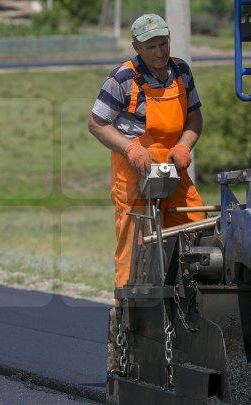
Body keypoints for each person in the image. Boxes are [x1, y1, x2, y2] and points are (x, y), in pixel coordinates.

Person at [87, 14, 206, 371]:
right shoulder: (122, 78)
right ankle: (126, 328)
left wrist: (185, 146)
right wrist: (130, 149)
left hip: (173, 166)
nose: (159, 51)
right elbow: (96, 124)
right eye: (151, 46)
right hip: (134, 170)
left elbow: (195, 118)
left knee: (195, 229)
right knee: (134, 244)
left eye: (163, 43)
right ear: (137, 47)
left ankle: (193, 309)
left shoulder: (181, 70)